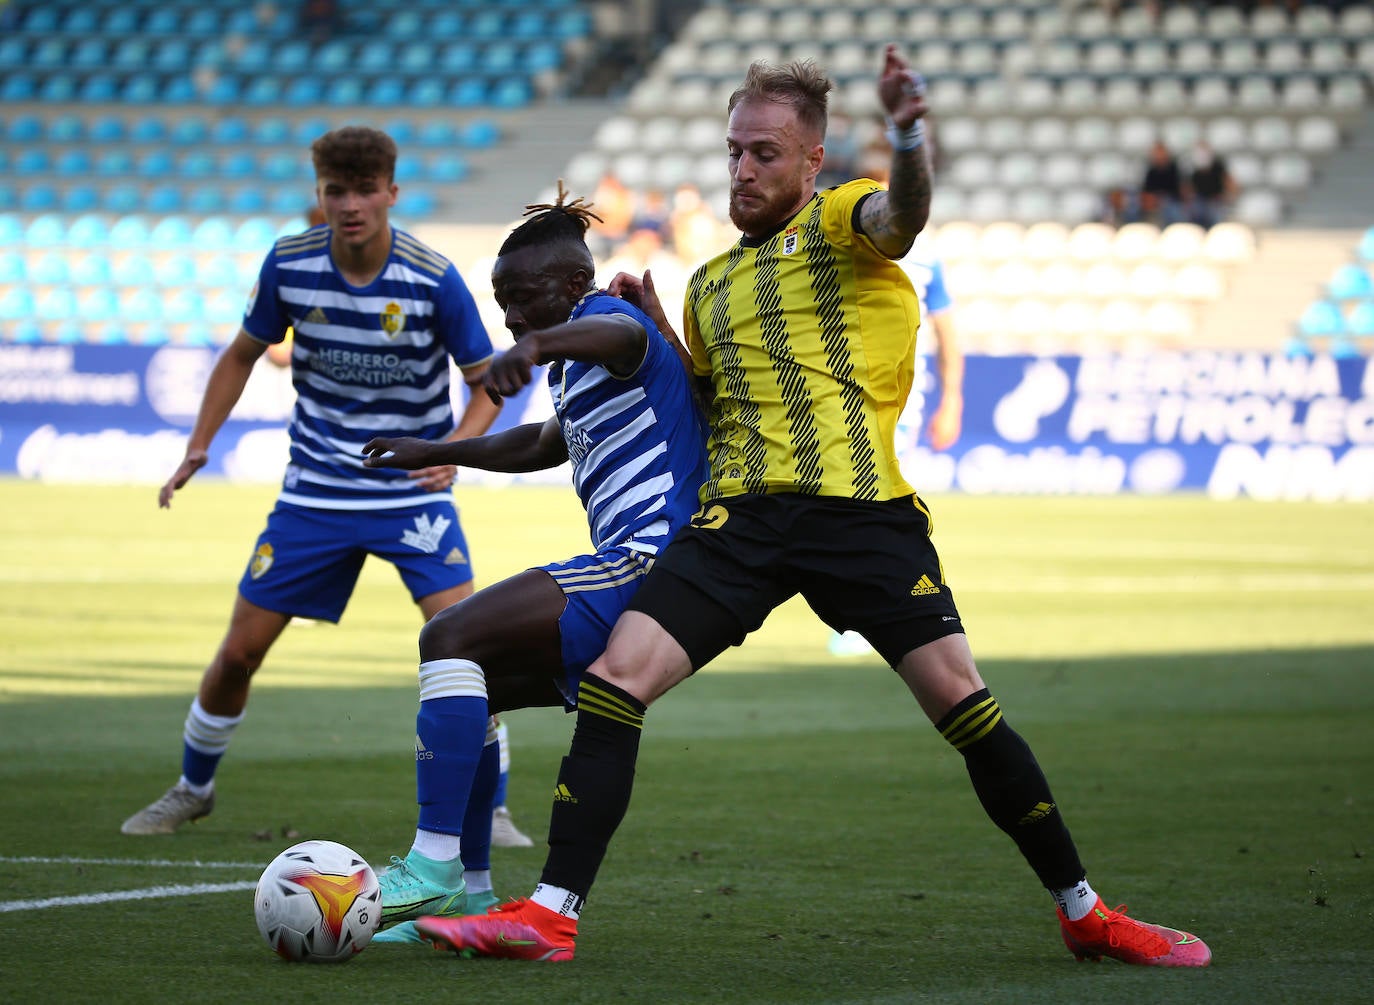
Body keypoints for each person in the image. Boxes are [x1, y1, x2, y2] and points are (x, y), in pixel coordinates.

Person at [413, 46, 1212, 968]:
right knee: (617, 676)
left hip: (857, 513)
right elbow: (701, 404)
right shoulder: (711, 284)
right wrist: (664, 324)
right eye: (733, 152)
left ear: (811, 160)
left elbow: (903, 214)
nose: (743, 170)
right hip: (740, 522)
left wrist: (909, 135)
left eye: (764, 153)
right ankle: (553, 913)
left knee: (961, 701)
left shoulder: (842, 220)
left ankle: (1085, 911)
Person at [121, 126, 502, 836]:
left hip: (407, 495)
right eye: (336, 191)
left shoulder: (433, 277)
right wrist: (199, 445)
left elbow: (490, 382)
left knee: (468, 649)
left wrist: (455, 447)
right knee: (239, 650)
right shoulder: (289, 264)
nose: (350, 204)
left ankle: (494, 802)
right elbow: (241, 354)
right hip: (315, 492)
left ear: (392, 192)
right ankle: (190, 788)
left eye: (364, 191)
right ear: (318, 194)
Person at [357, 186, 709, 943]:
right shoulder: (570, 363)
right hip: (635, 564)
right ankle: (467, 889)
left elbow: (618, 338)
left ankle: (432, 865)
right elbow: (542, 444)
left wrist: (536, 345)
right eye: (504, 302)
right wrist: (442, 449)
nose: (512, 316)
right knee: (470, 687)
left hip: (649, 561)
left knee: (448, 636)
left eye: (522, 298)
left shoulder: (608, 319)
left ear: (571, 283)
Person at [830, 230, 962, 658]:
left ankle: (873, 616)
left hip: (901, 390)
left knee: (873, 499)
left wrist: (952, 398)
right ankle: (871, 612)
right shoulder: (837, 234)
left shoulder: (926, 258)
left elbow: (946, 332)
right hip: (845, 385)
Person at [1185, 140, 1237, 230]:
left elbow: (1229, 183)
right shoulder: (1192, 168)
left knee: (1215, 213)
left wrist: (1229, 196)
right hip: (1199, 200)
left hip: (1216, 200)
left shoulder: (1218, 166)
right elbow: (1188, 189)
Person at [1136, 140, 1184, 227]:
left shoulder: (1173, 169)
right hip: (1155, 202)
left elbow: (1178, 190)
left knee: (1174, 212)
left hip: (1171, 201)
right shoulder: (1151, 171)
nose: (1159, 155)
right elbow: (1147, 191)